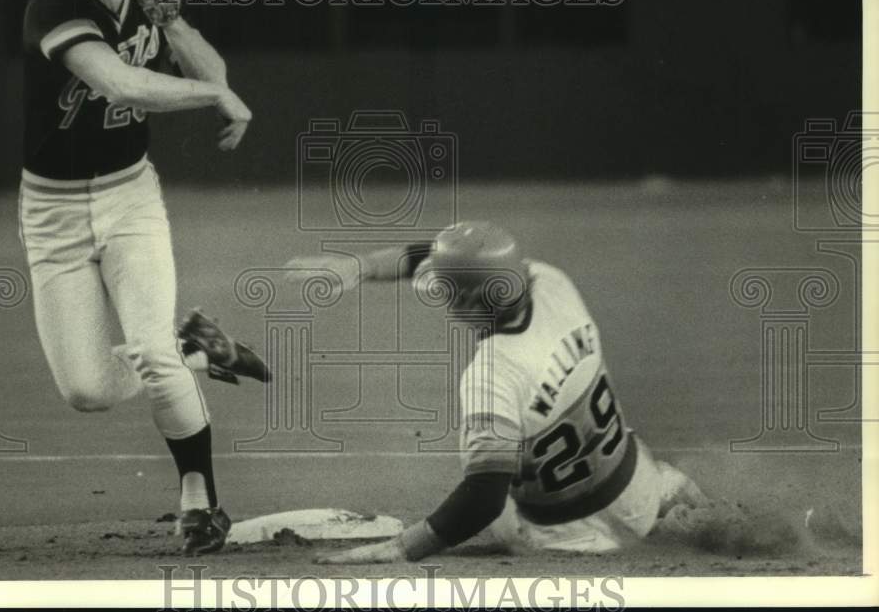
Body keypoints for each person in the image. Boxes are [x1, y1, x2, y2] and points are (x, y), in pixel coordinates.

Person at [19, 0, 267, 555]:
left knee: (149, 354)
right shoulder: (53, 4)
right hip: (54, 213)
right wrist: (214, 98)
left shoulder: (145, 1)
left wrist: (171, 19)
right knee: (87, 390)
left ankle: (200, 499)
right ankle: (194, 345)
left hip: (130, 195)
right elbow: (120, 81)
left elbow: (214, 74)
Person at [284, 221, 707, 563]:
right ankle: (680, 496)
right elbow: (455, 261)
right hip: (641, 493)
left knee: (494, 472)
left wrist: (401, 548)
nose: (444, 303)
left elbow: (483, 499)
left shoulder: (492, 374)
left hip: (563, 539)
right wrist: (362, 267)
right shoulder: (551, 283)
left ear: (469, 303)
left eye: (448, 294)